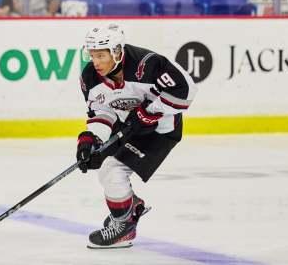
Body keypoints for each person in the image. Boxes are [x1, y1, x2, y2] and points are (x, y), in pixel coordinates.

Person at [76, 23, 197, 248]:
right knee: (103, 166)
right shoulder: (90, 77)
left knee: (113, 171)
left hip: (161, 130)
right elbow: (102, 112)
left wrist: (151, 112)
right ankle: (131, 207)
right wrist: (90, 140)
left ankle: (124, 226)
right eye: (92, 55)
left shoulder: (148, 64)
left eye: (101, 55)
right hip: (129, 125)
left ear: (117, 51)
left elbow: (186, 89)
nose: (96, 62)